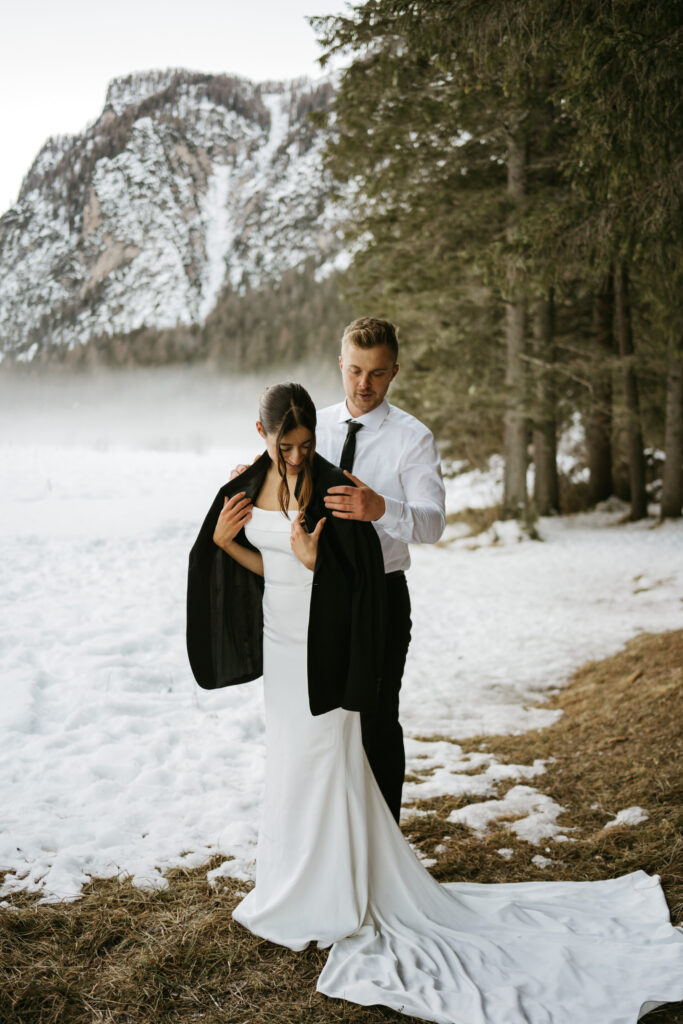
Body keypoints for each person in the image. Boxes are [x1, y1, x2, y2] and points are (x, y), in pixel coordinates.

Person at [187, 382, 683, 1024]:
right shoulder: (247, 485)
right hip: (279, 648)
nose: (297, 457)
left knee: (329, 759)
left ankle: (338, 892)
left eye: (306, 445)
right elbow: (260, 566)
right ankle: (289, 888)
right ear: (262, 437)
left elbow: (350, 579)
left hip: (322, 645)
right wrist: (228, 544)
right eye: (286, 447)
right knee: (288, 761)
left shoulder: (328, 484)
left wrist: (315, 559)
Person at [229, 317, 447, 823]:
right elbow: (280, 474)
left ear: (394, 371)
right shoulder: (312, 426)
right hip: (313, 598)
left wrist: (381, 508)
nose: (363, 385)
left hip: (381, 598)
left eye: (375, 373)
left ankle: (382, 844)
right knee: (325, 722)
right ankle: (330, 839)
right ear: (340, 365)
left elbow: (433, 524)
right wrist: (251, 476)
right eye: (354, 371)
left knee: (375, 719)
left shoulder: (413, 439)